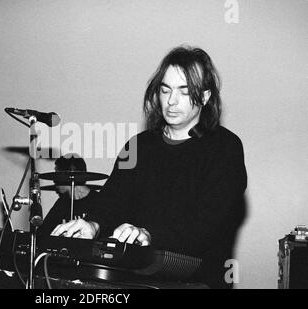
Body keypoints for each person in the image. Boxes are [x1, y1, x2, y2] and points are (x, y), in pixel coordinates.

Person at [51, 46, 247, 288]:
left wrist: (149, 234)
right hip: (133, 278)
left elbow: (209, 224)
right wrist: (93, 224)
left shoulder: (225, 148)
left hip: (198, 281)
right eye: (165, 90)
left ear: (205, 96)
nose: (171, 101)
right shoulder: (138, 146)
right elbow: (113, 199)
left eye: (184, 92)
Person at [37, 154, 100, 240]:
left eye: (56, 175)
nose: (53, 180)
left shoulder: (99, 201)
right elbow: (42, 234)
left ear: (67, 175)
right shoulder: (62, 203)